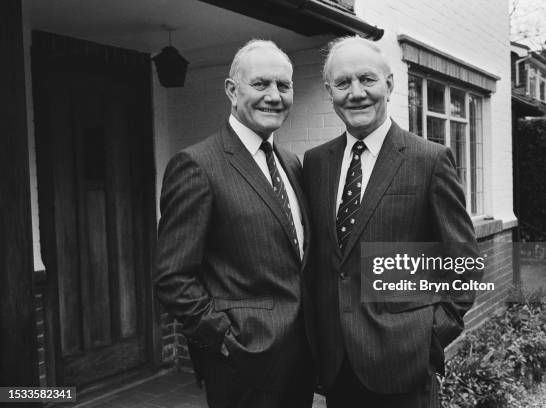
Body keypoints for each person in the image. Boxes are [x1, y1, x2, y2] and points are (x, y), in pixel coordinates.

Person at [302, 37, 480, 408]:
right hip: (337, 367)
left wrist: (429, 335)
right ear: (328, 91)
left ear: (389, 84)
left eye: (367, 79)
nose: (356, 93)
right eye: (343, 83)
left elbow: (463, 262)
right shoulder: (316, 163)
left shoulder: (429, 160)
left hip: (404, 366)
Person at [155, 39, 314, 408]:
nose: (274, 96)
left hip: (299, 363)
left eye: (283, 85)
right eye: (260, 84)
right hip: (242, 365)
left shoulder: (291, 163)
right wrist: (225, 340)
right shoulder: (196, 165)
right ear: (232, 90)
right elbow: (172, 278)